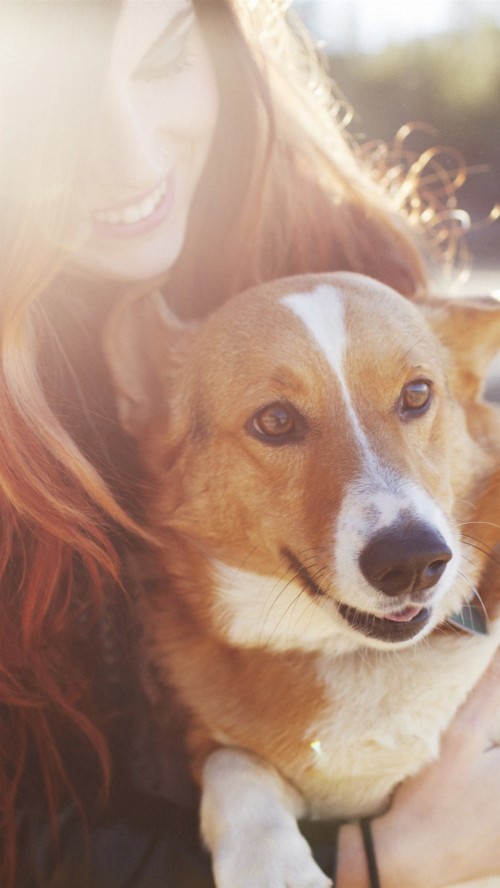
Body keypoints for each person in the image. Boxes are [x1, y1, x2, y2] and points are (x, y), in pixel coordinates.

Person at [1, 1, 499, 886]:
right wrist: (377, 863)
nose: (131, 157)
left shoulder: (353, 252)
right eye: (65, 102)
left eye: (158, 61)